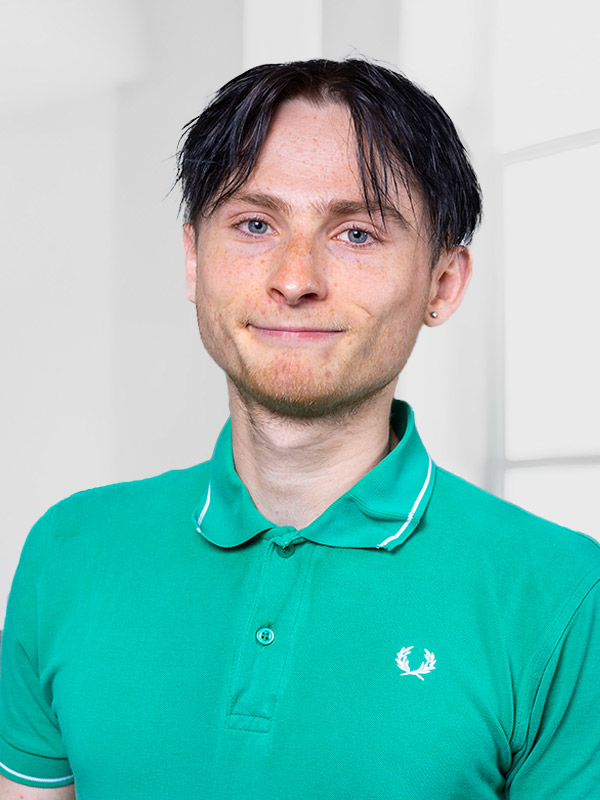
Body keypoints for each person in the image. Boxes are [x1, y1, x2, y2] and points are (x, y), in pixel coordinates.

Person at [1, 59, 599, 800]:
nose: (294, 278)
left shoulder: (562, 594)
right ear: (193, 261)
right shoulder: (68, 551)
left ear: (442, 284)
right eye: (254, 225)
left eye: (356, 233)